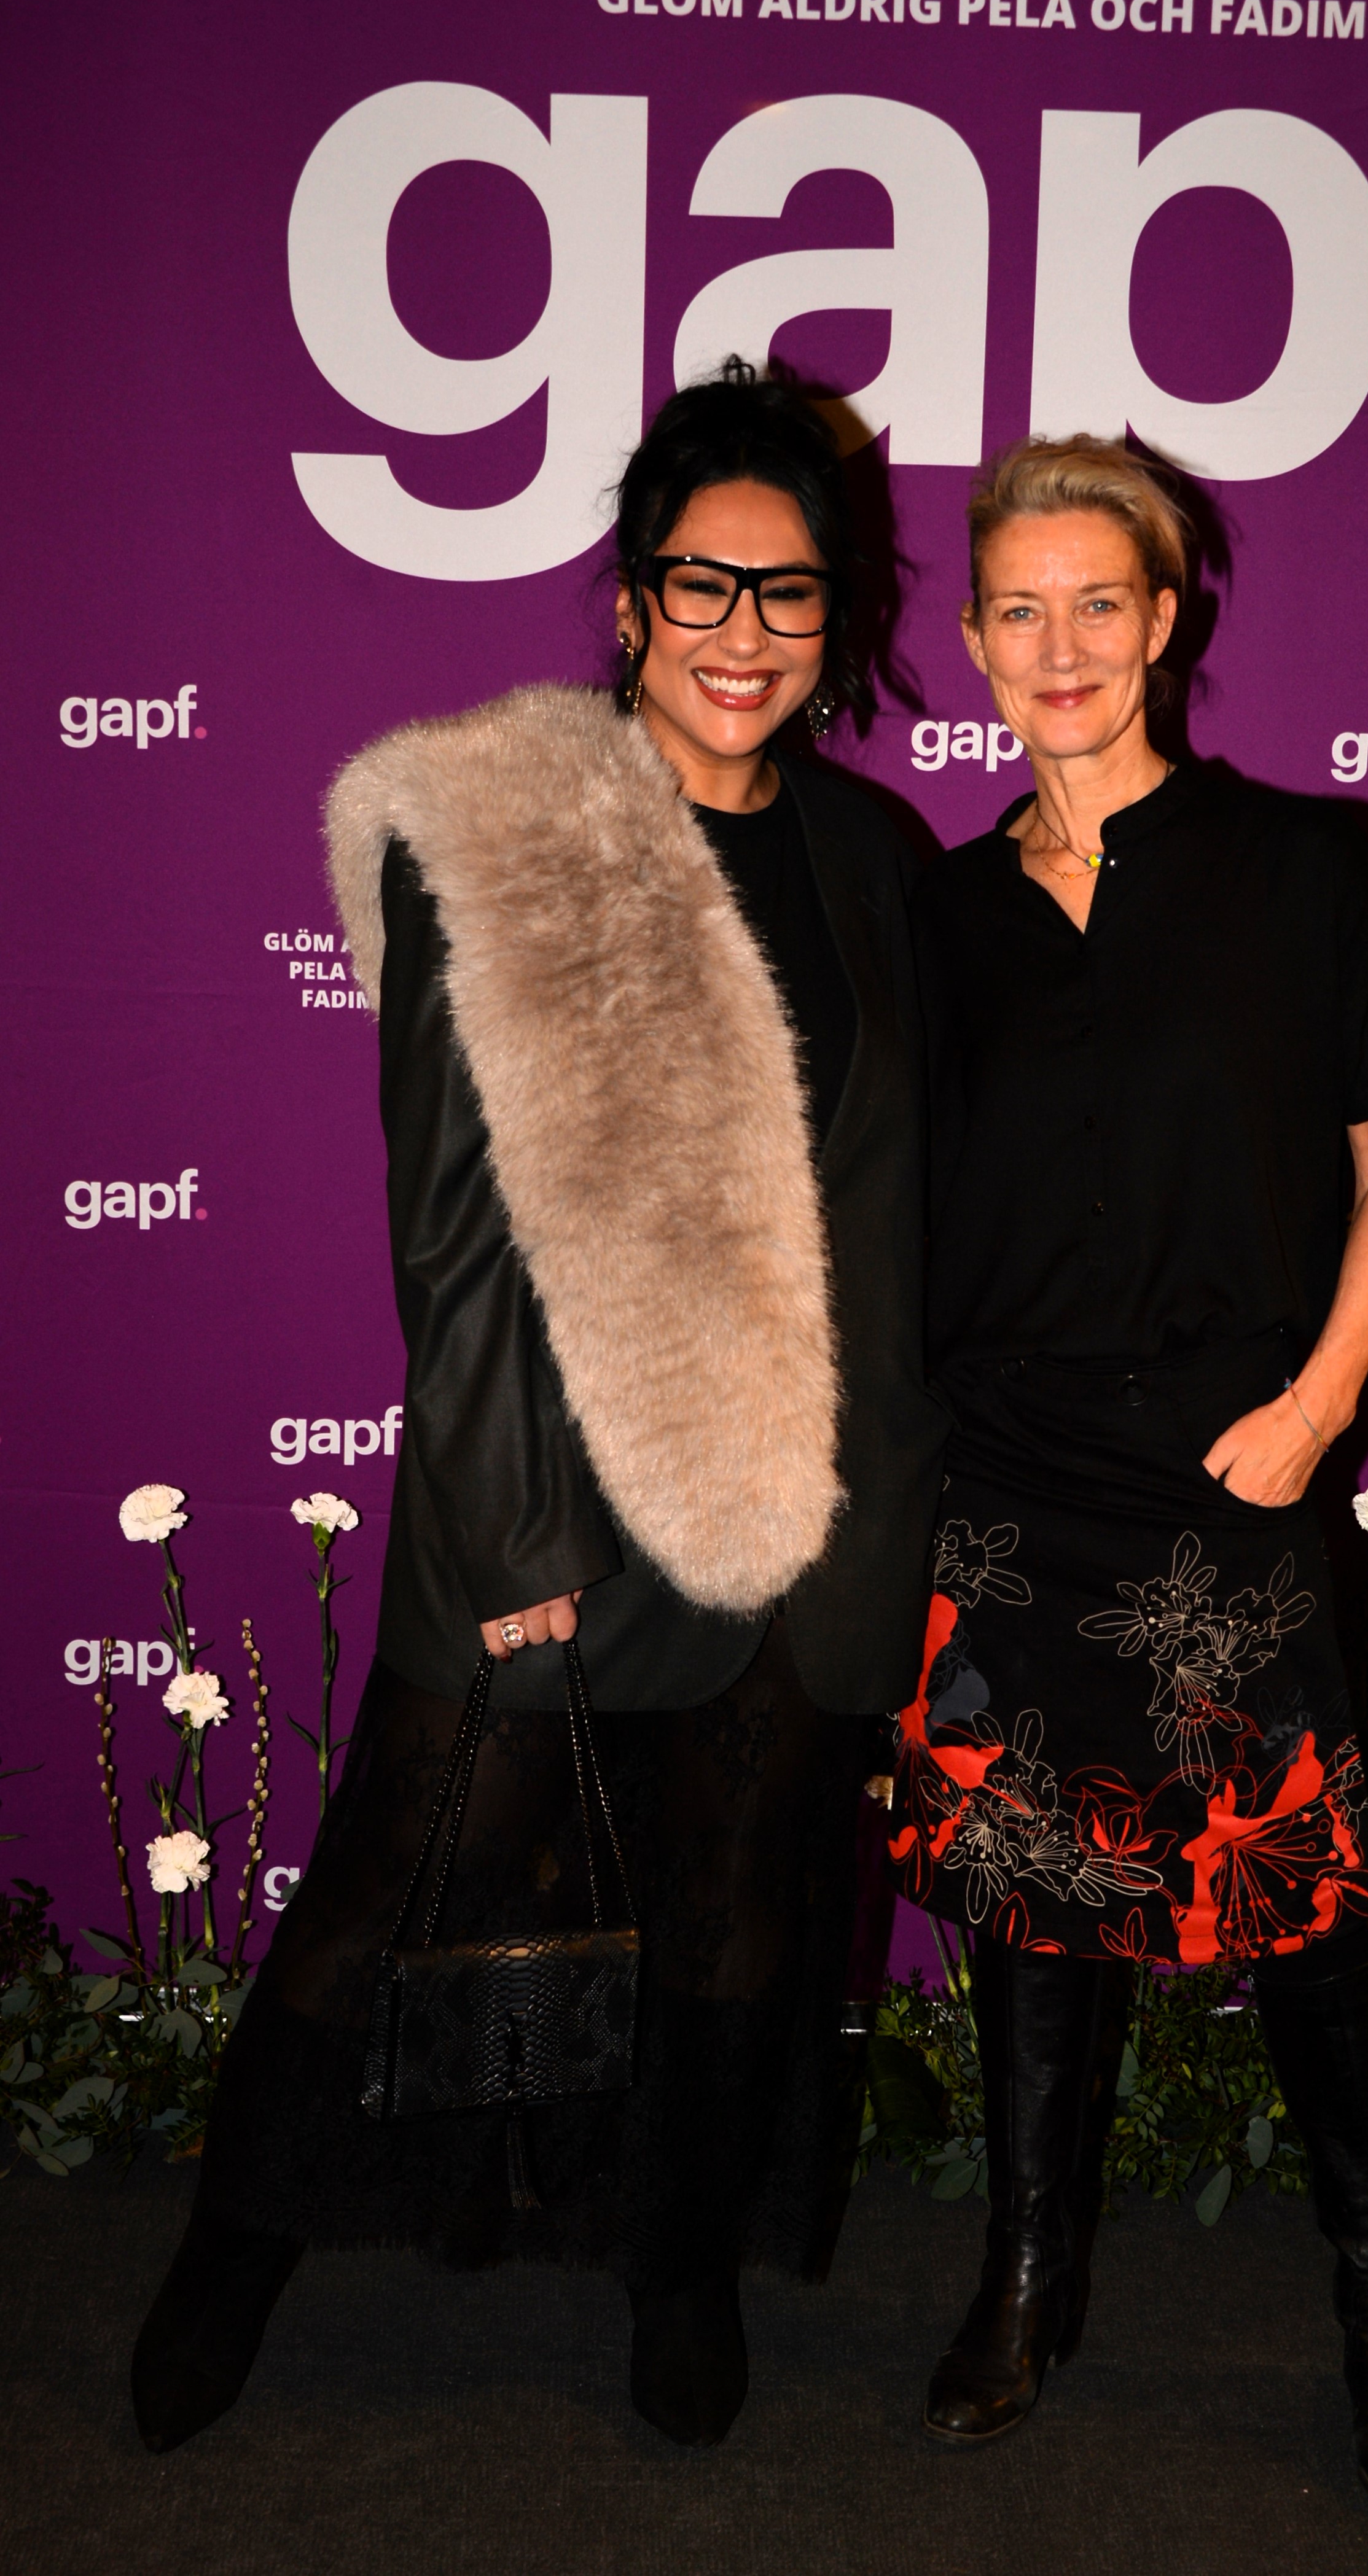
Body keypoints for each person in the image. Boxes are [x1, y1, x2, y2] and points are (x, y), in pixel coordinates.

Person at [131, 359, 946, 2455]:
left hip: (808, 1507)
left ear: (840, 615)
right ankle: (234, 2246)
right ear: (632, 599)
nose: (744, 631)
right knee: (393, 1883)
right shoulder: (504, 839)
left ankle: (680, 2263)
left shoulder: (873, 855)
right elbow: (455, 1230)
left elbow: (891, 1205)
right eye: (703, 584)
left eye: (789, 590)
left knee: (737, 1911)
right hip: (560, 1487)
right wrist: (513, 1537)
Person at [891, 435, 1368, 2510]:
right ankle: (1028, 2280)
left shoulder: (1312, 866)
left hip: (1231, 1473)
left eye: (1098, 603)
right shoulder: (937, 916)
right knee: (1030, 1913)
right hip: (1008, 1481)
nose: (1059, 646)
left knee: (1318, 1926)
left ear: (1166, 619)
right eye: (1017, 610)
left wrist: (1319, 1407)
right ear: (973, 642)